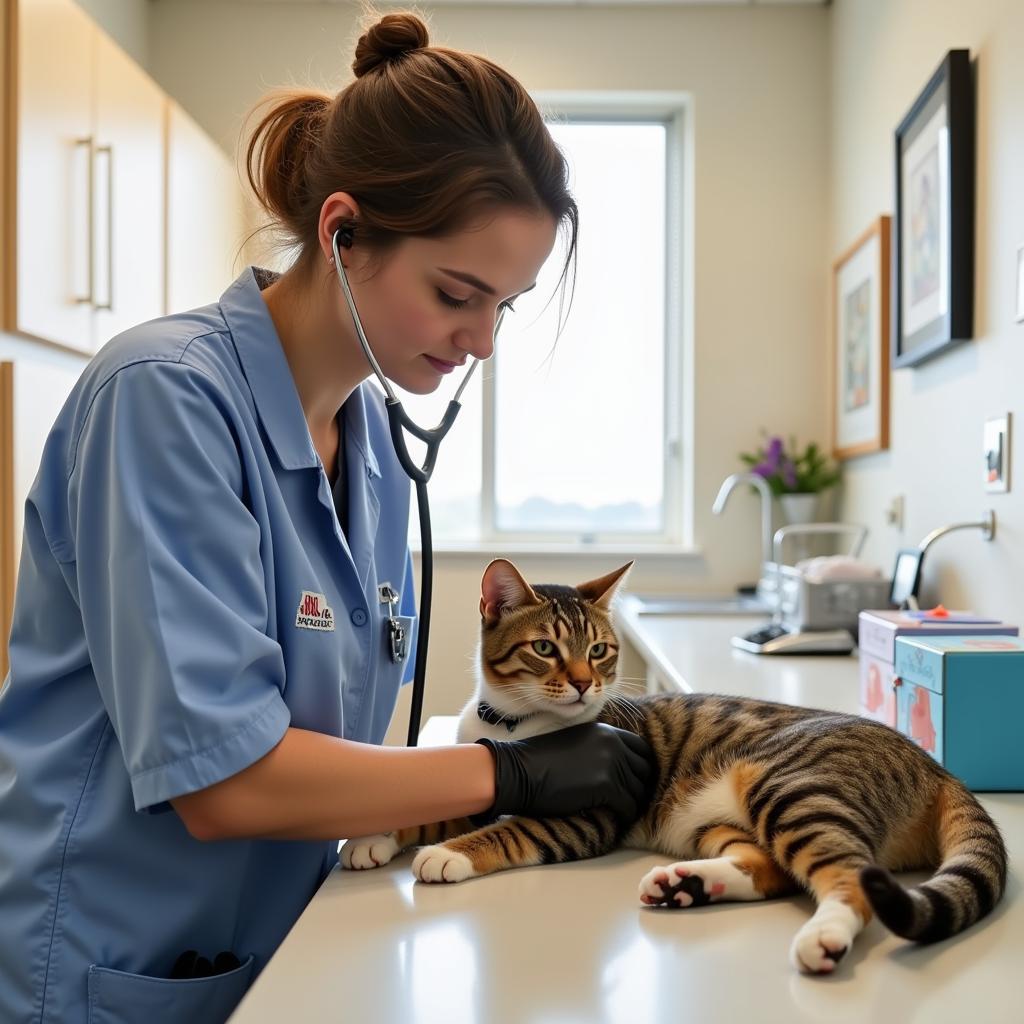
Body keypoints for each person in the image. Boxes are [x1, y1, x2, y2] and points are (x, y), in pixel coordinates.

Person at [0, 11, 656, 1024]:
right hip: (111, 974)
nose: (480, 341)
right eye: (456, 293)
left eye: (504, 307)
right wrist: (508, 772)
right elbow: (225, 781)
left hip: (286, 958)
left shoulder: (380, 458)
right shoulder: (162, 399)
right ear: (343, 232)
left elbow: (331, 746)